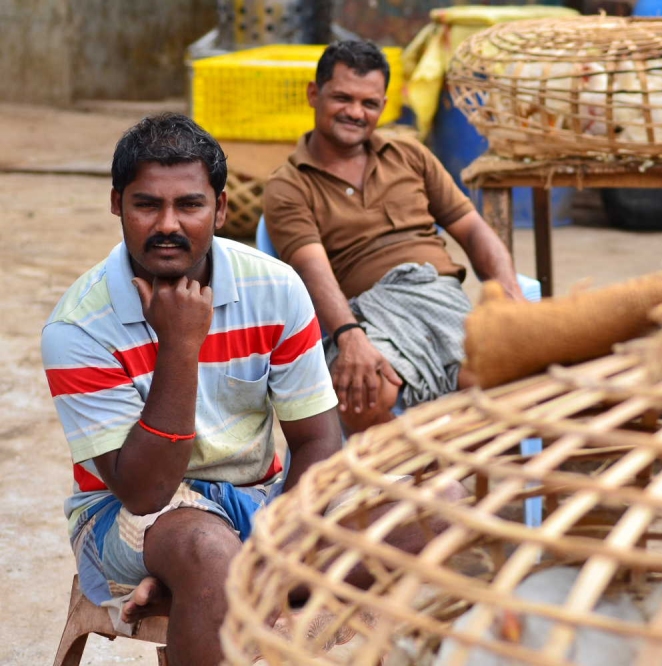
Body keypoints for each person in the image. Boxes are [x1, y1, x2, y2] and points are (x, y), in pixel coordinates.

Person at [41, 113, 439, 666]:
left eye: (190, 205)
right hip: (125, 514)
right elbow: (143, 491)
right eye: (147, 204)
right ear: (116, 204)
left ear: (221, 209)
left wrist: (283, 543)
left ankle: (229, 581)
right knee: (206, 551)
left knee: (441, 507)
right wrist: (181, 345)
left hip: (263, 503)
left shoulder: (273, 287)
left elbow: (319, 441)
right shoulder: (78, 326)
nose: (168, 224)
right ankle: (219, 577)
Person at [263, 40, 524, 435]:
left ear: (383, 107)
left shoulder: (411, 156)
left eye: (369, 103)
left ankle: (439, 465)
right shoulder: (289, 185)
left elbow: (472, 229)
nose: (355, 112)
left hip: (440, 297)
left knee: (507, 376)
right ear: (314, 94)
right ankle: (428, 471)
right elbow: (313, 270)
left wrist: (509, 292)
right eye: (343, 98)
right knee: (366, 394)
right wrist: (349, 336)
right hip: (367, 313)